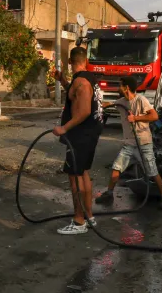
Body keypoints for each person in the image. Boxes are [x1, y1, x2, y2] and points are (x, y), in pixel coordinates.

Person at [96, 77, 162, 209]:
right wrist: (95, 103)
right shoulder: (122, 102)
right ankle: (109, 193)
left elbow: (154, 116)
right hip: (129, 144)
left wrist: (135, 118)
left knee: (152, 172)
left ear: (126, 87)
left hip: (144, 144)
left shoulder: (141, 100)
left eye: (120, 85)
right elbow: (108, 104)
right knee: (116, 168)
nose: (118, 88)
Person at [52, 46, 104, 235]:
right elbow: (75, 97)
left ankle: (79, 221)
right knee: (83, 174)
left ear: (70, 62)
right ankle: (89, 216)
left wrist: (63, 128)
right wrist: (63, 80)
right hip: (89, 134)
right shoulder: (86, 79)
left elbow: (83, 111)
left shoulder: (81, 82)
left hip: (80, 135)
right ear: (86, 61)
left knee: (74, 177)